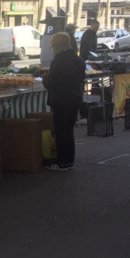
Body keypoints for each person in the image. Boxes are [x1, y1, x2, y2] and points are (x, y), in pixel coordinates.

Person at [43, 32, 86, 171]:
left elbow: (52, 83)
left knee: (61, 131)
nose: (52, 49)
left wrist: (44, 79)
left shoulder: (58, 61)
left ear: (56, 45)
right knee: (69, 131)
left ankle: (61, 163)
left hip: (61, 100)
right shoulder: (78, 59)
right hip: (75, 98)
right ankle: (69, 162)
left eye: (52, 47)